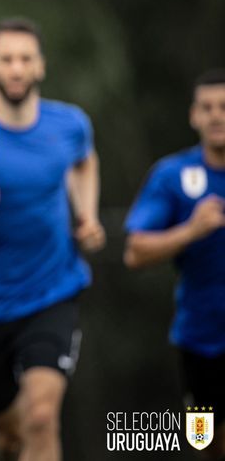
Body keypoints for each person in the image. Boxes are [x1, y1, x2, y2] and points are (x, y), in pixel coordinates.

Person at [0, 18, 105, 460]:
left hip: (54, 291)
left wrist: (86, 214)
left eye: (25, 59)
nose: (16, 68)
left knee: (42, 417)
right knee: (9, 435)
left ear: (40, 67)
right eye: (6, 59)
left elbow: (84, 162)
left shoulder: (69, 124)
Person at [124, 69, 225, 459]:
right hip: (199, 339)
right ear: (193, 116)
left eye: (223, 108)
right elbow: (135, 251)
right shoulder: (173, 176)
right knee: (206, 442)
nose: (217, 116)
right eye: (208, 108)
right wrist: (191, 230)